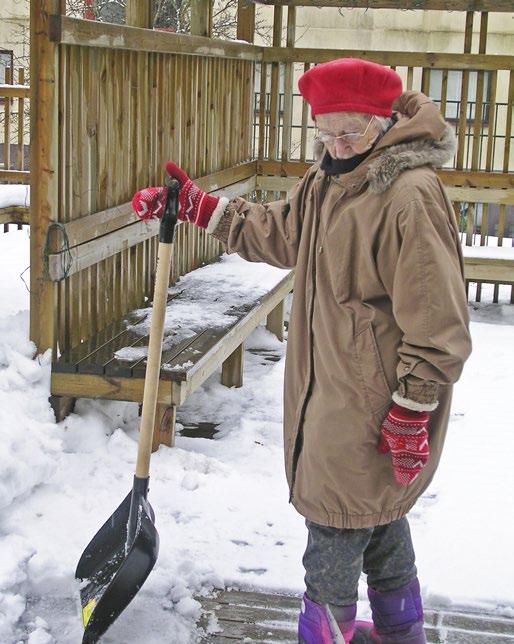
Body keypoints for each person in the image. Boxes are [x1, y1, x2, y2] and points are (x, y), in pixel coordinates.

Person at [132, 58, 472, 643]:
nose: (337, 144)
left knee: (333, 538)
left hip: (370, 402)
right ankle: (401, 633)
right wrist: (199, 207)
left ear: (384, 124)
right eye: (325, 132)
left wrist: (412, 409)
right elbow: (284, 232)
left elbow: (439, 321)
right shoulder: (330, 179)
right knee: (379, 523)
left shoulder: (408, 195)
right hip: (332, 392)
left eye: (351, 131)